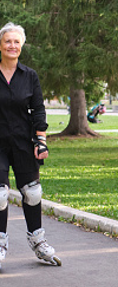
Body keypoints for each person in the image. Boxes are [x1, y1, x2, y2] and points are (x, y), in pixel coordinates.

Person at [0, 22, 61, 268]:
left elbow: (38, 109)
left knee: (33, 193)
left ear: (21, 46)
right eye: (7, 41)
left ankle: (38, 242)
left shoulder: (30, 76)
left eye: (16, 42)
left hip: (25, 143)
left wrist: (41, 141)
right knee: (0, 195)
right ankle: (0, 243)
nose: (12, 46)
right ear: (0, 45)